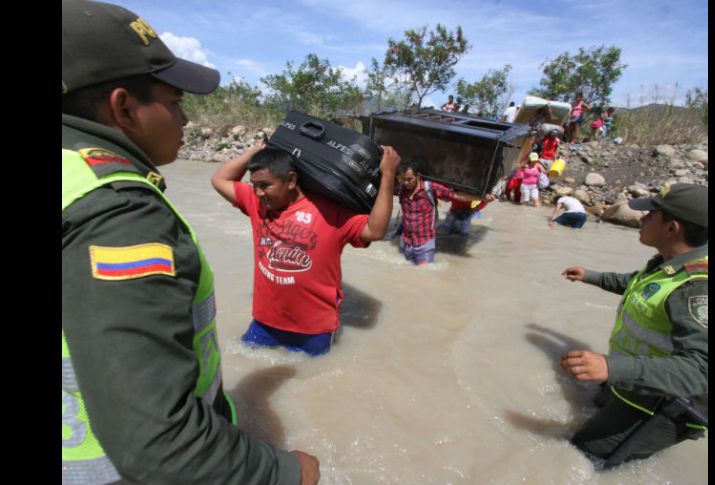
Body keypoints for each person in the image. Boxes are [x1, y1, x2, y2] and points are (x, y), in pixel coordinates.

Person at [62, 1, 320, 483]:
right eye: (175, 102)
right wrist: (282, 473)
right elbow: (159, 441)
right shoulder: (119, 212)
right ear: (122, 108)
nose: (184, 119)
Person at [560, 183, 708, 468]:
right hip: (637, 380)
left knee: (579, 457)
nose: (641, 219)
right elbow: (639, 286)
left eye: (650, 215)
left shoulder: (697, 287)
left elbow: (701, 370)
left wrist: (611, 367)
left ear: (671, 228)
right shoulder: (668, 263)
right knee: (593, 403)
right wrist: (591, 276)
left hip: (669, 405)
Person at [211, 143, 401, 356]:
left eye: (265, 185)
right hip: (265, 322)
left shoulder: (329, 211)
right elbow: (219, 179)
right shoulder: (257, 204)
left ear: (291, 180)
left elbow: (375, 231)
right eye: (253, 185)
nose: (258, 193)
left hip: (314, 329)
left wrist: (388, 176)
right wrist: (253, 153)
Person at [395, 160, 487, 264]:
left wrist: (482, 199)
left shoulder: (429, 188)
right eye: (403, 179)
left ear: (418, 176)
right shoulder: (401, 188)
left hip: (424, 244)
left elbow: (454, 195)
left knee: (424, 273)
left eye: (409, 179)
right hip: (407, 243)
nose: (406, 183)